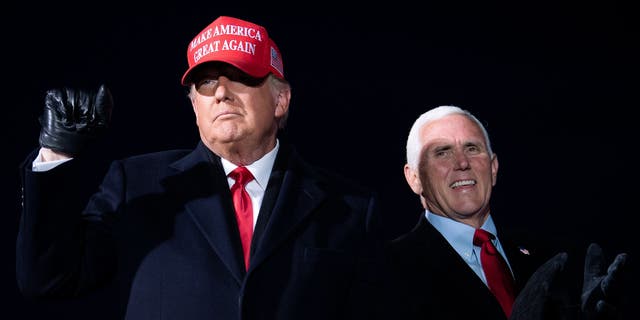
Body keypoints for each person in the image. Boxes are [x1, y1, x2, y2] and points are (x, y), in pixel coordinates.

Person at [16, 16, 385, 320]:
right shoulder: (139, 184)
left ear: (281, 100)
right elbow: (48, 279)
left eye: (239, 76)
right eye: (206, 82)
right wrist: (57, 153)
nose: (221, 93)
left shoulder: (349, 208)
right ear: (195, 107)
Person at [385, 105, 629, 320]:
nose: (462, 163)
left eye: (472, 148)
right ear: (414, 178)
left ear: (493, 168)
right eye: (442, 152)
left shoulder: (552, 257)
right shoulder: (384, 270)